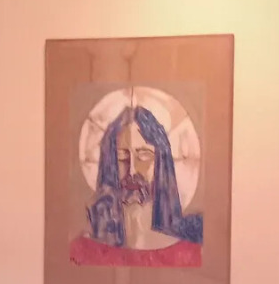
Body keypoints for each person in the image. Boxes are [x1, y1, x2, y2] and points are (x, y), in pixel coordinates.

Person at [69, 104, 203, 268]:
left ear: (161, 163)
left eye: (144, 156)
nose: (132, 170)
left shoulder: (189, 254)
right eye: (121, 157)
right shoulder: (84, 251)